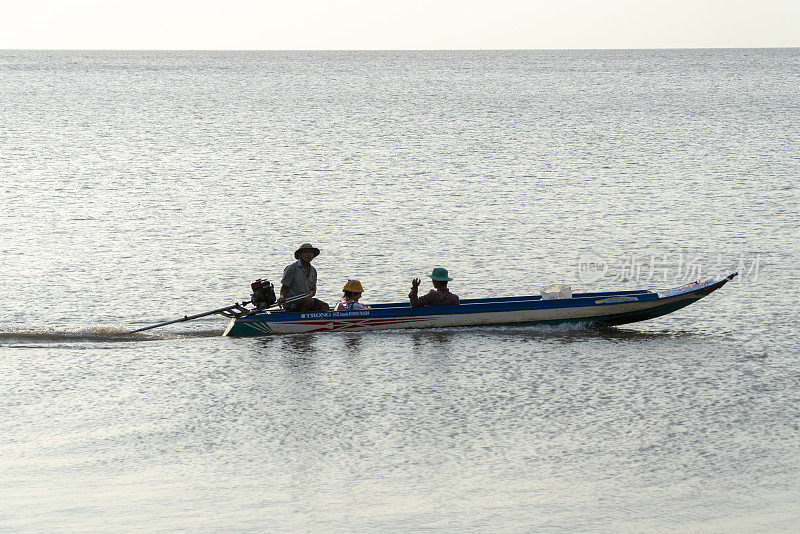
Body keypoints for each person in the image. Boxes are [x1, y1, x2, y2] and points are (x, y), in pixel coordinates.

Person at [277, 243, 330, 312]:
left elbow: (313, 290)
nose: (309, 255)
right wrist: (282, 297)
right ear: (300, 255)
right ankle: (298, 319)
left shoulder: (313, 270)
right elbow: (284, 287)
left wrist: (311, 293)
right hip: (292, 302)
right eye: (306, 252)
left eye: (311, 252)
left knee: (325, 306)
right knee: (309, 301)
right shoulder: (292, 268)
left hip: (307, 300)